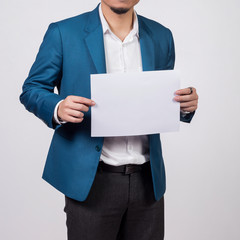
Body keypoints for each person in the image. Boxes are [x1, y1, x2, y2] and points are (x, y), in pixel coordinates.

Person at [19, 0, 198, 239]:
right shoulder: (63, 32)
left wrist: (183, 106)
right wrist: (58, 107)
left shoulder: (162, 36)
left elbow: (158, 101)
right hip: (91, 181)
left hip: (148, 182)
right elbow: (32, 89)